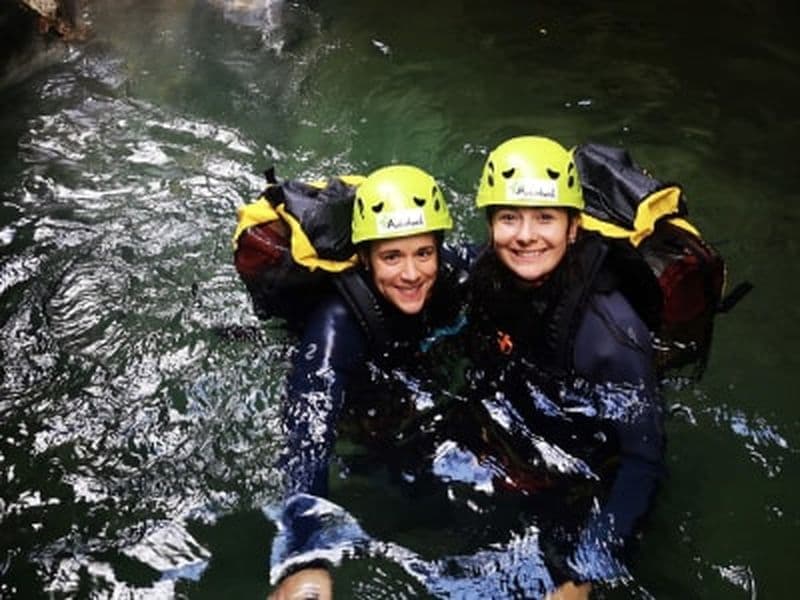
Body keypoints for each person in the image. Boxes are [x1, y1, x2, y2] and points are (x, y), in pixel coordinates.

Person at [465, 136, 666, 599]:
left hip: (591, 477)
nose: (526, 235)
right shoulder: (488, 272)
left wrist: (586, 570)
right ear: (491, 224)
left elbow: (644, 461)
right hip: (514, 446)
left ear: (574, 228)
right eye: (509, 217)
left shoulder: (611, 336)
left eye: (545, 218)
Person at [267, 164, 466, 600]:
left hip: (417, 369)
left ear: (439, 249)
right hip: (361, 398)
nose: (412, 274)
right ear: (365, 257)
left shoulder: (454, 275)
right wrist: (306, 556)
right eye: (392, 257)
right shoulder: (336, 325)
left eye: (423, 253)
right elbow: (308, 436)